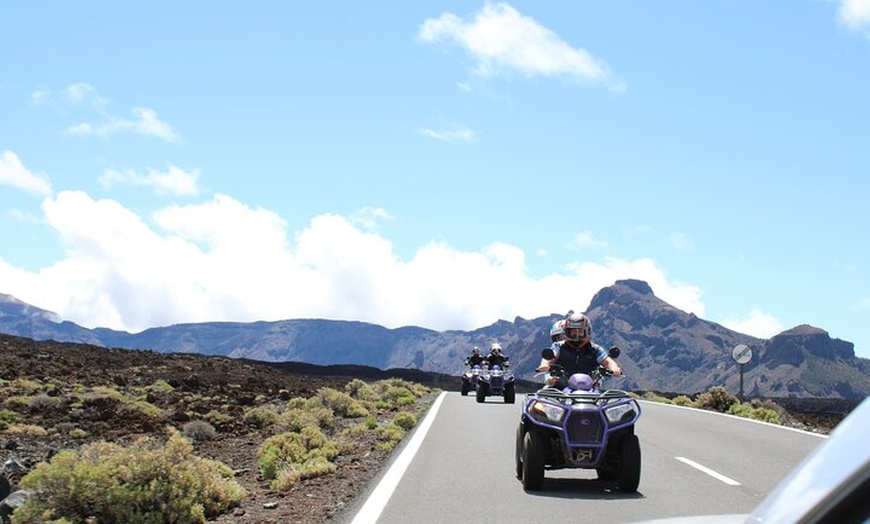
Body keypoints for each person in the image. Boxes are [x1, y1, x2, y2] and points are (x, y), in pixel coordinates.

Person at [537, 312, 621, 388]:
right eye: (573, 332)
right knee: (542, 399)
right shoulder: (559, 346)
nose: (576, 335)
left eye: (580, 331)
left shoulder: (595, 349)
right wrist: (544, 365)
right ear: (566, 332)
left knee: (605, 401)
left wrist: (614, 369)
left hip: (589, 388)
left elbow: (607, 361)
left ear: (587, 331)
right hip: (560, 388)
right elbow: (551, 356)